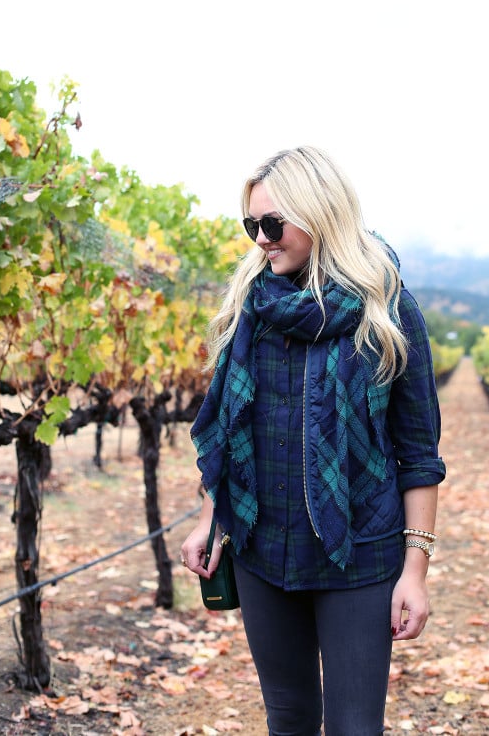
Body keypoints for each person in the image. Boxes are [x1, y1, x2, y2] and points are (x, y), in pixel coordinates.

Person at [181, 145, 446, 736]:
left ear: (319, 214)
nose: (261, 240)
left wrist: (415, 571)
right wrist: (209, 520)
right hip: (261, 550)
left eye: (272, 225)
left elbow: (420, 455)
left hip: (359, 556)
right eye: (251, 226)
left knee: (355, 727)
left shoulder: (387, 308)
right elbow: (228, 426)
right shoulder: (249, 307)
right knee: (290, 718)